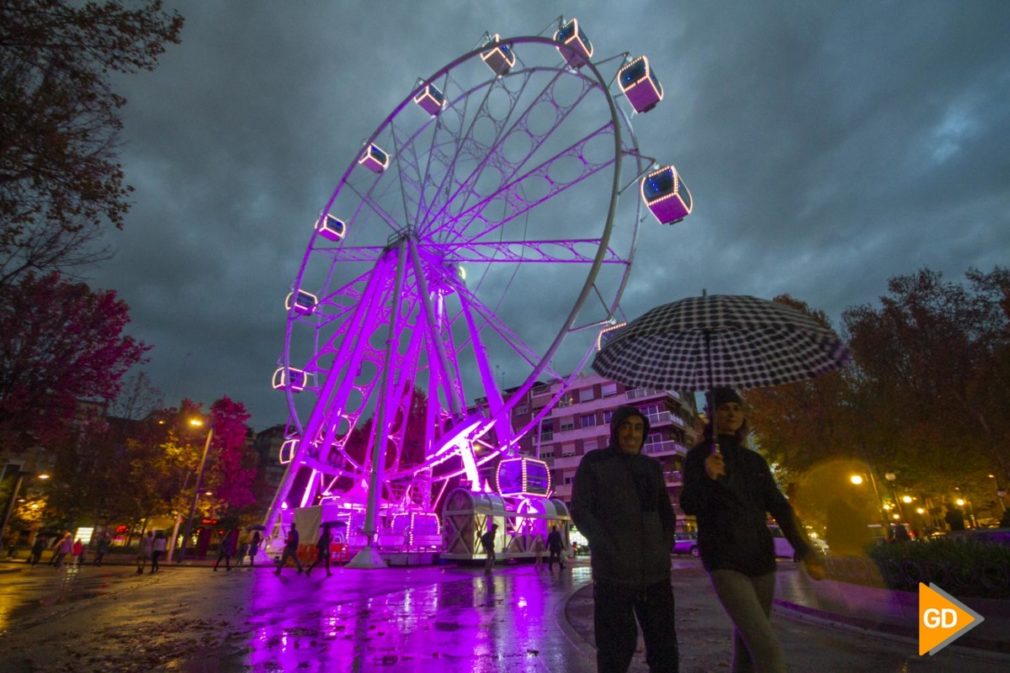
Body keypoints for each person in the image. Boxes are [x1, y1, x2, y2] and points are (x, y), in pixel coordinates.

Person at [680, 388, 826, 673]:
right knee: (767, 648)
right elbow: (690, 504)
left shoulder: (754, 461)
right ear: (711, 414)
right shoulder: (699, 457)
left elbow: (779, 506)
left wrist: (805, 548)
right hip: (725, 560)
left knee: (748, 646)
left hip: (761, 559)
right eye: (724, 408)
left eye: (737, 407)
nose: (732, 413)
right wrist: (708, 477)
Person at [572, 404, 678, 673]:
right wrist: (605, 546)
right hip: (613, 576)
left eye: (638, 428)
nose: (632, 433)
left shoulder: (652, 467)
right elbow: (581, 509)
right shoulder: (595, 463)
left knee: (665, 651)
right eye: (626, 427)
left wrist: (663, 547)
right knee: (615, 651)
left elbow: (665, 512)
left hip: (656, 577)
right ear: (615, 430)